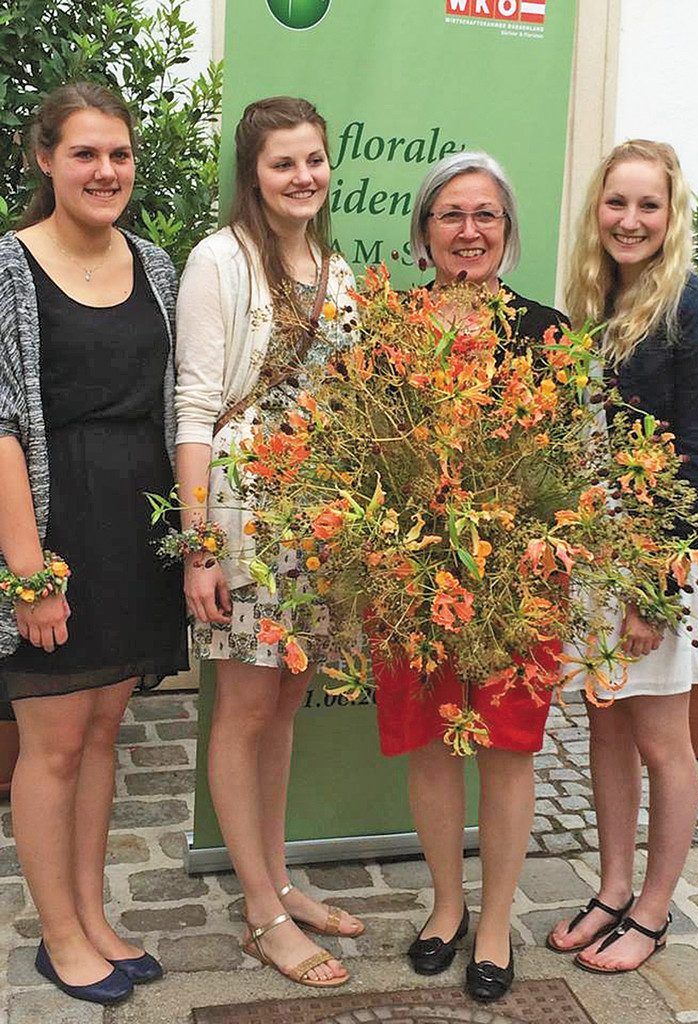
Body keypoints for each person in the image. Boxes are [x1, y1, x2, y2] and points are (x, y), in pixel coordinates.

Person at [0, 83, 188, 1005]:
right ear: (45, 159)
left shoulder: (154, 264)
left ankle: (91, 912)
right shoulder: (7, 268)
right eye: (84, 153)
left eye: (118, 154)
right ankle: (58, 934)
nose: (105, 171)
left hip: (136, 528)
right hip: (53, 527)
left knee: (105, 731)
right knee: (54, 745)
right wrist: (29, 574)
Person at [174, 96, 360, 989]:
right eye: (284, 162)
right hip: (245, 517)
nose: (303, 177)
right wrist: (198, 546)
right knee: (244, 712)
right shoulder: (219, 259)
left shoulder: (337, 268)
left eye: (314, 159)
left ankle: (280, 880)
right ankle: (260, 913)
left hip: (320, 521)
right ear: (254, 172)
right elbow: (195, 407)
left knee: (285, 705)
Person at [373, 151, 566, 1004]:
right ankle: (446, 906)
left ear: (507, 230)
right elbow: (367, 452)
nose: (469, 231)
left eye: (486, 214)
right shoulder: (392, 332)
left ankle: (495, 922)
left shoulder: (547, 332)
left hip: (518, 578)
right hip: (413, 571)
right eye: (451, 214)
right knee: (429, 741)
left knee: (507, 746)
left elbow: (571, 463)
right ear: (424, 231)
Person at [546, 140, 698, 972]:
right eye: (616, 203)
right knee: (606, 725)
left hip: (657, 555)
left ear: (670, 213)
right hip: (598, 547)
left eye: (647, 205)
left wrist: (652, 591)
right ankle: (612, 889)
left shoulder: (693, 309)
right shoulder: (598, 300)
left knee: (662, 740)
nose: (629, 220)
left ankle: (652, 912)